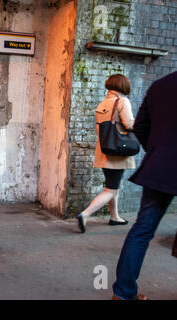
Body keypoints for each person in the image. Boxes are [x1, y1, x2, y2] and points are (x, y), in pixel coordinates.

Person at [112, 71, 177, 300]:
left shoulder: (160, 85)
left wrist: (159, 152)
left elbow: (139, 127)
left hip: (159, 168)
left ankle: (123, 294)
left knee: (142, 230)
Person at [76, 74, 135, 233]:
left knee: (112, 185)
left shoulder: (103, 103)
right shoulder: (122, 101)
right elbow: (129, 124)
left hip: (105, 150)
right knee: (111, 190)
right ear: (123, 86)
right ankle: (85, 214)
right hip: (118, 151)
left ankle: (114, 217)